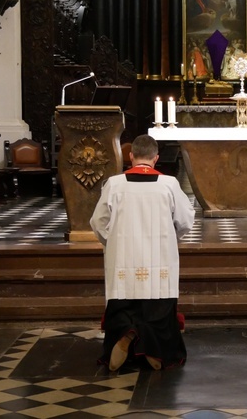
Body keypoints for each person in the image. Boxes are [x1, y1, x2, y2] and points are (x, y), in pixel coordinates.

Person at [90, 134, 195, 371]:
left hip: (123, 258)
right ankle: (155, 349)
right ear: (156, 158)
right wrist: (171, 238)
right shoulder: (169, 184)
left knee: (124, 302)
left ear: (130, 156)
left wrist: (112, 242)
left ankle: (126, 334)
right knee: (158, 307)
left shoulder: (114, 184)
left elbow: (97, 222)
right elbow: (186, 221)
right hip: (160, 258)